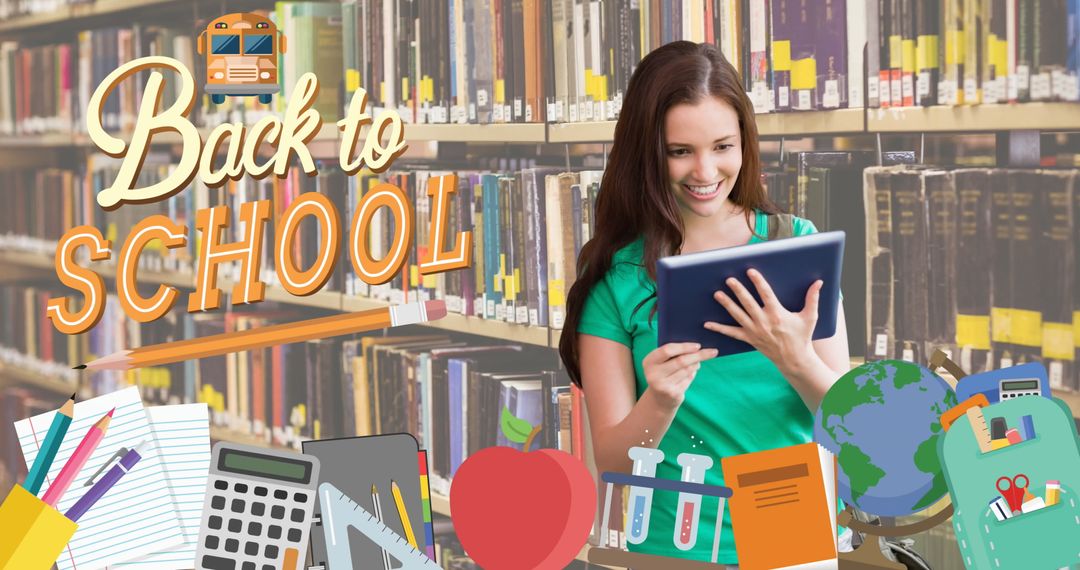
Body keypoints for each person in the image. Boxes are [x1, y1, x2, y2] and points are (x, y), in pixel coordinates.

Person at [558, 41, 851, 565]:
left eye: (722, 146)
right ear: (647, 152)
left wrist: (795, 358)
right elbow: (613, 462)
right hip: (677, 544)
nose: (705, 171)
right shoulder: (615, 277)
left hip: (792, 537)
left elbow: (851, 428)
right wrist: (661, 401)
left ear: (745, 141)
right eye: (680, 151)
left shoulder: (796, 247)